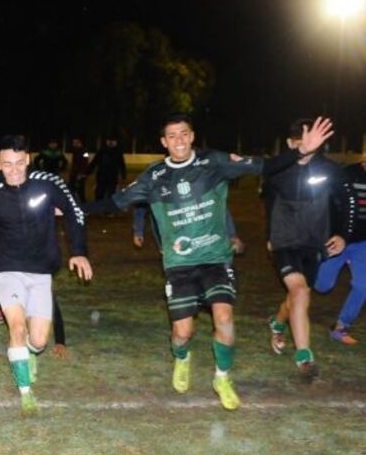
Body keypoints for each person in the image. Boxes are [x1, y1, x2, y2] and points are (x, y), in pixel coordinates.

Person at [84, 113, 332, 410]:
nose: (179, 140)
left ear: (192, 136)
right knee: (182, 333)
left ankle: (222, 377)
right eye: (172, 136)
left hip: (216, 259)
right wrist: (74, 209)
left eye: (184, 134)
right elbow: (113, 203)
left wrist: (301, 151)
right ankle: (182, 356)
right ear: (164, 142)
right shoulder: (153, 177)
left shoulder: (213, 163)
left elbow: (263, 166)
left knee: (224, 319)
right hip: (179, 265)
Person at [0, 134, 91, 414]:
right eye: (7, 164)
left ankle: (30, 355)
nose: (13, 170)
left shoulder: (48, 185)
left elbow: (74, 211)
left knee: (39, 341)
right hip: (7, 269)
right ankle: (26, 394)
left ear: (28, 159)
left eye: (19, 163)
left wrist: (79, 251)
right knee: (17, 329)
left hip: (42, 272)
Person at [265, 118, 354, 378]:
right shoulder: (277, 171)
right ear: (291, 143)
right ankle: (304, 356)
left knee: (298, 296)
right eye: (302, 142)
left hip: (315, 244)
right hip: (285, 242)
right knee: (300, 291)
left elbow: (346, 201)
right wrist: (269, 235)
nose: (309, 147)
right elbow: (268, 203)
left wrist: (342, 235)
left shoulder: (329, 169)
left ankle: (277, 321)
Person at [313, 151, 366, 345]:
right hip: (338, 239)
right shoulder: (346, 174)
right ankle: (302, 279)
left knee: (363, 285)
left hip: (363, 244)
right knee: (322, 286)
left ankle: (341, 327)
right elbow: (329, 204)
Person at [87, 136, 126, 201]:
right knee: (99, 193)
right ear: (106, 142)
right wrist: (87, 172)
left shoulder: (118, 152)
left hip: (112, 177)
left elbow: (122, 165)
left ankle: (107, 208)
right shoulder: (101, 151)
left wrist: (123, 175)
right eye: (109, 141)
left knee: (110, 194)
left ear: (115, 142)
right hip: (101, 176)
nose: (110, 142)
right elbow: (94, 162)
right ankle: (98, 206)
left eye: (112, 141)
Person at [66, 137, 91, 202]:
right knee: (71, 189)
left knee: (80, 190)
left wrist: (82, 173)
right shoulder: (75, 151)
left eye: (75, 142)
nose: (73, 144)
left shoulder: (85, 151)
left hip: (80, 174)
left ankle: (83, 203)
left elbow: (85, 163)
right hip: (74, 173)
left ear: (79, 143)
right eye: (73, 142)